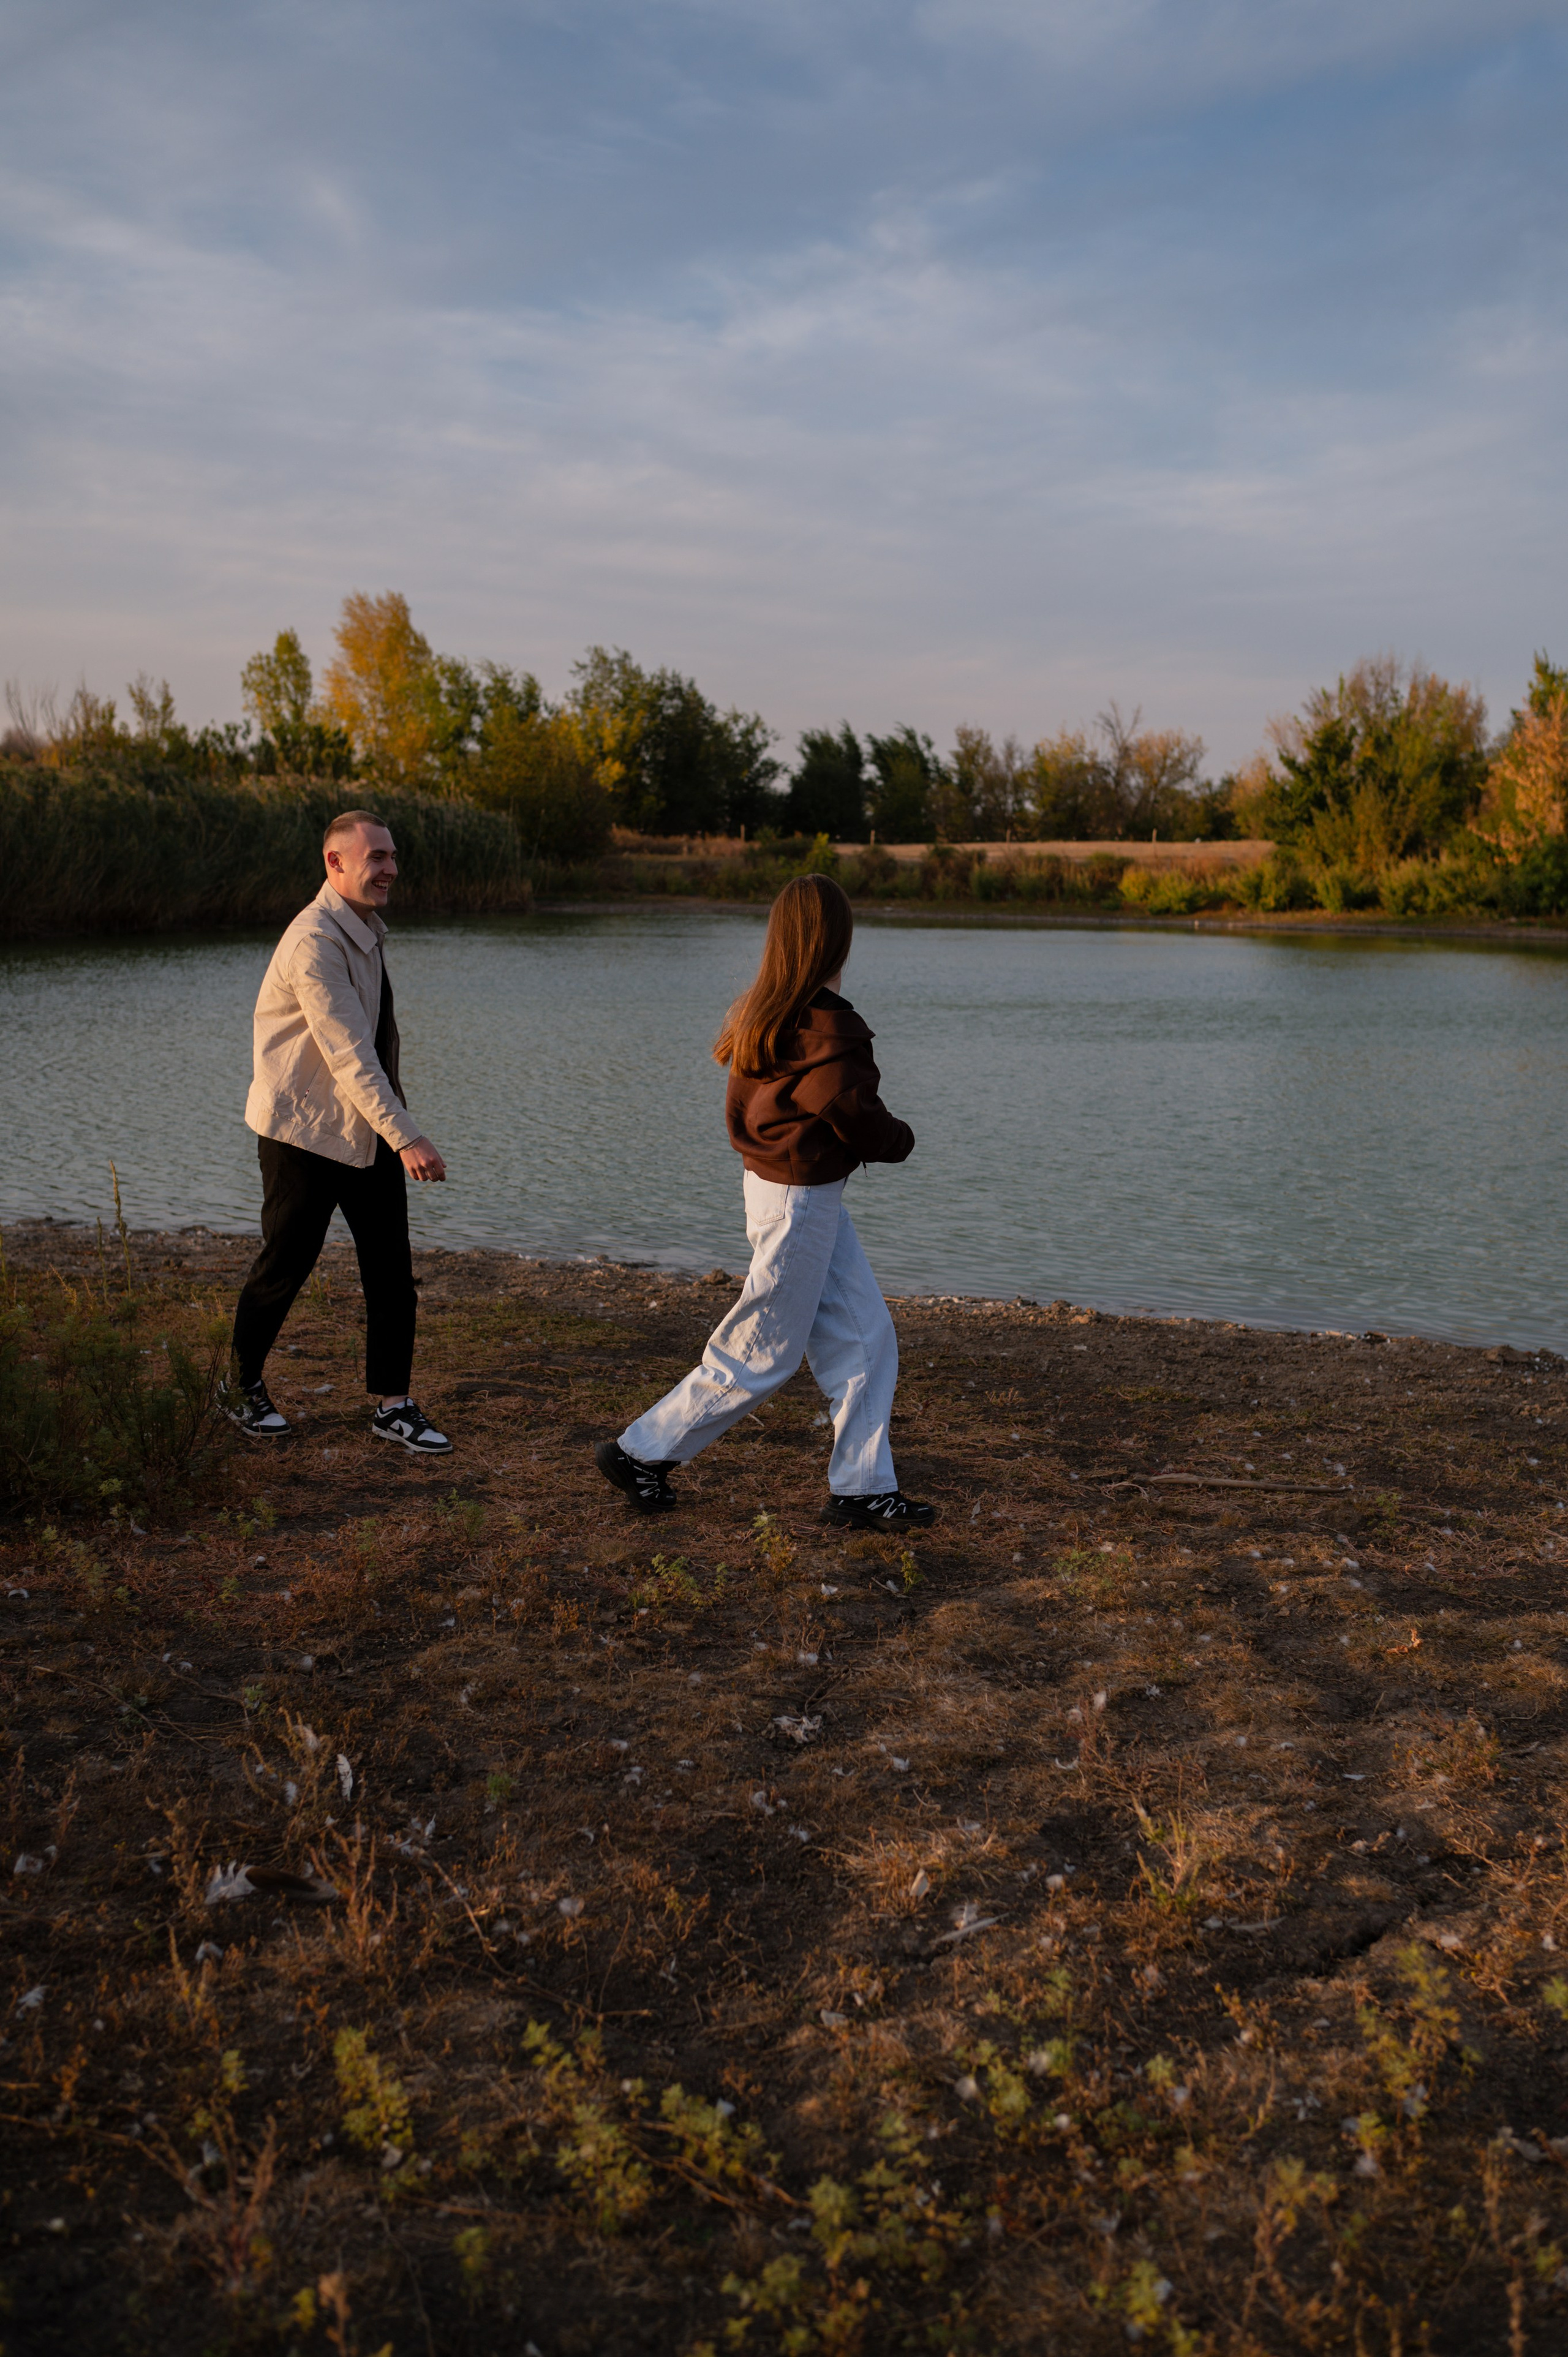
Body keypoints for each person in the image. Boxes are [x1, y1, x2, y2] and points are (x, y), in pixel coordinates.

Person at [594, 873, 934, 1529]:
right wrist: (900, 1140)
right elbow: (852, 1113)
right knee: (761, 1350)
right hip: (799, 1201)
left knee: (865, 1335)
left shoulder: (767, 1012)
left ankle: (864, 1487)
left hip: (786, 1192)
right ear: (839, 938)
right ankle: (641, 1451)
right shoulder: (829, 1029)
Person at [220, 810, 453, 1455]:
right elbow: (350, 1052)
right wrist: (407, 1135)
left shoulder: (366, 930)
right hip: (303, 1130)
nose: (389, 869)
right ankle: (238, 1387)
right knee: (284, 1264)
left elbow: (374, 1050)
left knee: (391, 1270)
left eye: (393, 855)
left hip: (365, 1125)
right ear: (336, 862)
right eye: (376, 856)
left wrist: (391, 1129)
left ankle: (393, 1404)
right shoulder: (314, 941)